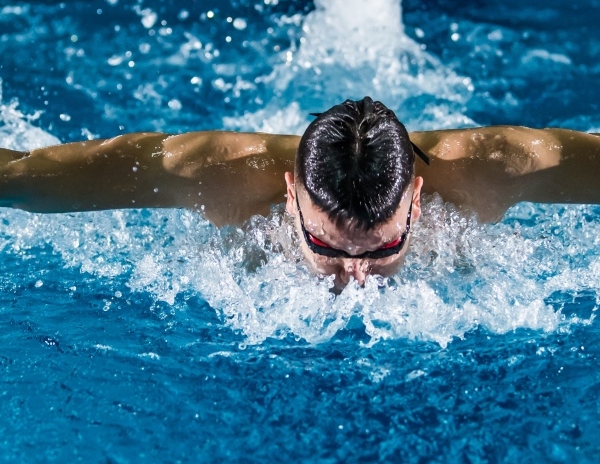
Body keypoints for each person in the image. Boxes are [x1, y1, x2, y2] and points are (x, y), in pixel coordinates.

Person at [1, 96, 599, 292]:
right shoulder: (217, 174)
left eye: (380, 252)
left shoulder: (496, 168)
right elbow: (24, 178)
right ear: (291, 196)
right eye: (327, 247)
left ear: (415, 201)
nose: (354, 279)